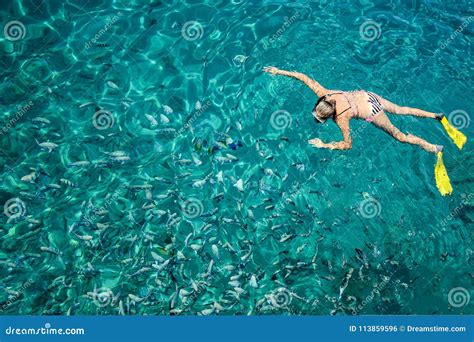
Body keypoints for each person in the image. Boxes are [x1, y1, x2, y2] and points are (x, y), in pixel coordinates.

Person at [263, 66, 445, 154]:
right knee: (401, 109)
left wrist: (325, 145)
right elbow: (303, 77)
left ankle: (431, 147)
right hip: (368, 95)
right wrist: (279, 71)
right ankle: (434, 115)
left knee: (400, 137)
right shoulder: (326, 94)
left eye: (319, 119)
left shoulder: (341, 119)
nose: (317, 119)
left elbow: (348, 144)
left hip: (372, 112)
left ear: (328, 117)